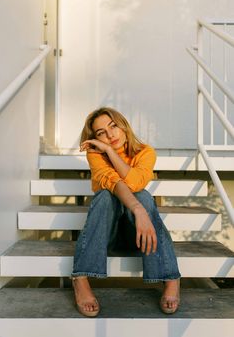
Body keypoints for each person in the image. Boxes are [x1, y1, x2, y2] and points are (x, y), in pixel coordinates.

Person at [71, 107, 181, 317]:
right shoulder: (95, 154)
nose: (110, 135)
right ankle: (81, 277)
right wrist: (139, 209)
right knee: (105, 195)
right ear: (95, 138)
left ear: (123, 125)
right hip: (108, 234)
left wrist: (111, 152)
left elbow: (134, 182)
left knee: (143, 196)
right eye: (101, 132)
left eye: (113, 126)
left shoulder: (145, 152)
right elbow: (112, 182)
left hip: (138, 235)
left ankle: (170, 276)